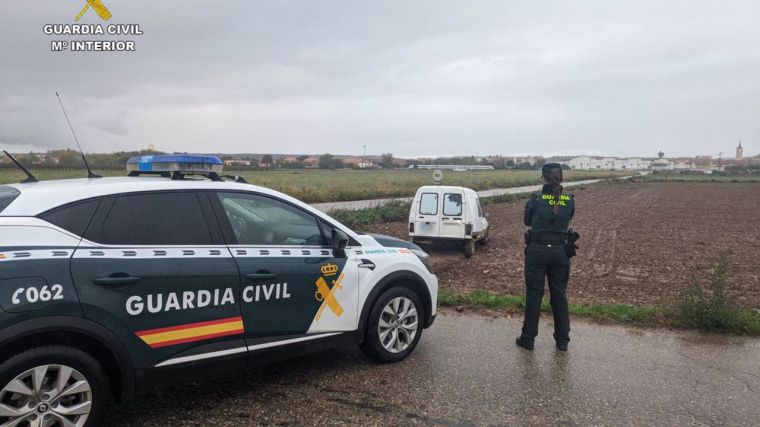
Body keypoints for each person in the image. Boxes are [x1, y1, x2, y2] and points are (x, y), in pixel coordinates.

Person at [516, 163, 576, 351]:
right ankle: (562, 340)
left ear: (543, 177)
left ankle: (528, 339)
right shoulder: (570, 199)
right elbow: (567, 218)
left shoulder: (536, 198)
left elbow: (527, 220)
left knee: (534, 294)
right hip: (561, 252)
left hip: (537, 251)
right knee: (559, 295)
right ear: (561, 177)